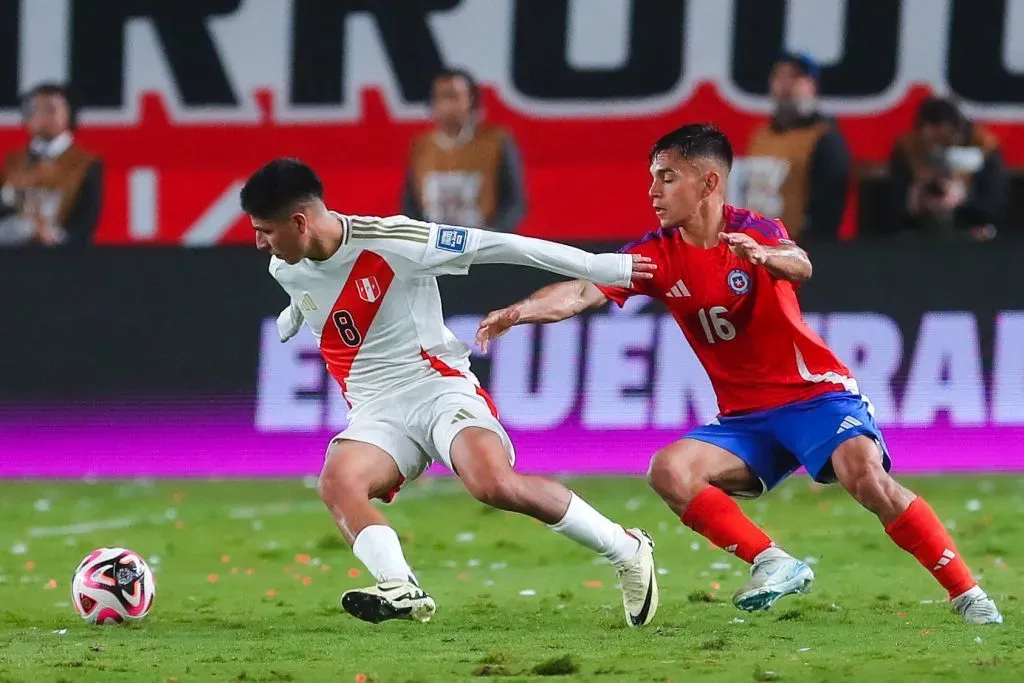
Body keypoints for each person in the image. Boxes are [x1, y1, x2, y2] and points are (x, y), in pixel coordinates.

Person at [475, 124, 1002, 625]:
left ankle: (967, 593)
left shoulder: (754, 230)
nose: (653, 191)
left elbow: (801, 264)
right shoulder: (655, 255)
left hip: (817, 398)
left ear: (709, 182)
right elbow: (582, 289)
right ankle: (772, 562)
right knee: (669, 470)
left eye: (667, 176)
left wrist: (767, 256)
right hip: (745, 422)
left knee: (865, 478)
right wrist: (521, 311)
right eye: (652, 178)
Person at [240, 158, 659, 627]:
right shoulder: (286, 266)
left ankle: (628, 548)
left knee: (492, 484)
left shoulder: (395, 240)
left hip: (437, 386)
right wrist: (293, 316)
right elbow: (306, 291)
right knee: (338, 483)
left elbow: (502, 245)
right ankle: (401, 587)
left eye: (265, 230)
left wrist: (599, 266)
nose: (260, 243)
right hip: (376, 412)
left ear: (299, 222)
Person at [739, 52, 850, 241]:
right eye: (779, 76)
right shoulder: (760, 137)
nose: (786, 84)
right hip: (754, 248)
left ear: (812, 85)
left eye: (795, 77)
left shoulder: (824, 139)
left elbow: (828, 208)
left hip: (795, 249)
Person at [401, 67, 526, 233]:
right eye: (441, 97)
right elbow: (411, 202)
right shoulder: (422, 146)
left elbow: (513, 201)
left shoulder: (495, 141)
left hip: (482, 241)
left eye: (454, 96)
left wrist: (494, 235)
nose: (448, 105)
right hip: (433, 245)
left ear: (471, 100)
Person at [887, 96, 1006, 241]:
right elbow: (893, 204)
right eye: (930, 143)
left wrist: (962, 201)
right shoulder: (906, 148)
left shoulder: (984, 147)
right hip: (919, 229)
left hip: (972, 225)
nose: (938, 149)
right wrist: (914, 202)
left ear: (959, 133)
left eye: (945, 142)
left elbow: (994, 203)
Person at [0, 83, 103, 247]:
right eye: (35, 110)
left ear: (68, 114)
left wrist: (56, 238)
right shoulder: (13, 161)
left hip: (63, 258)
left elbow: (86, 219)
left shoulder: (86, 163)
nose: (42, 116)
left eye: (50, 109)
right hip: (14, 255)